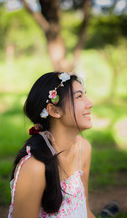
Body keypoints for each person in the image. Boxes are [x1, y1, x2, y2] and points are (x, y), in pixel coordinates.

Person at [8, 72, 95, 218]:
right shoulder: (34, 167)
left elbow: (85, 211)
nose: (90, 103)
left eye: (84, 95)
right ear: (54, 110)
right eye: (79, 97)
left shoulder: (83, 148)